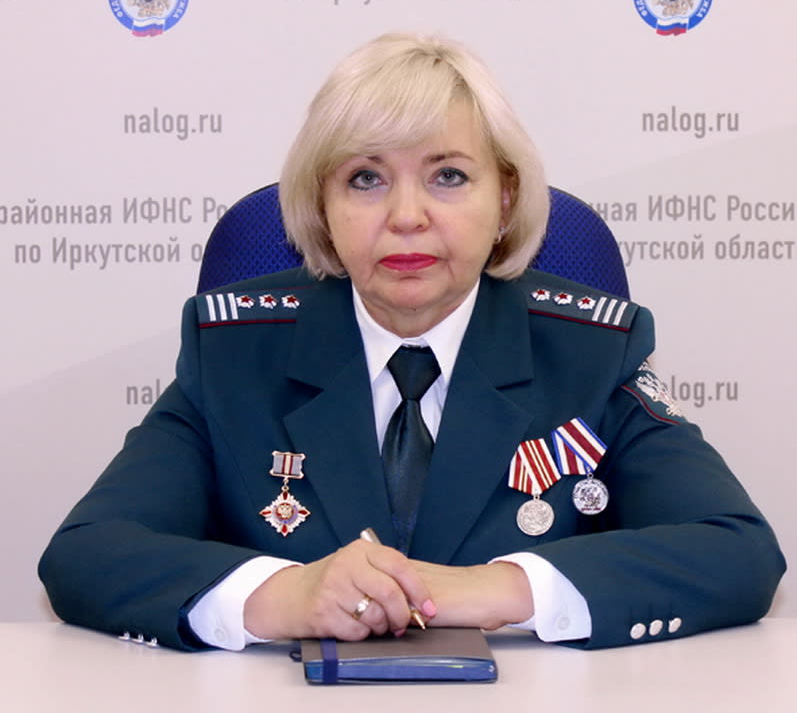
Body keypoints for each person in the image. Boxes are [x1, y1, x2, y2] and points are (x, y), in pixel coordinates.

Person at [39, 33, 785, 651]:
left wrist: (495, 588)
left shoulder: (590, 352)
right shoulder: (233, 352)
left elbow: (736, 549)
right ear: (321, 205)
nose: (405, 216)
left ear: (505, 198)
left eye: (448, 176)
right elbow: (87, 552)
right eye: (365, 179)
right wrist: (283, 595)